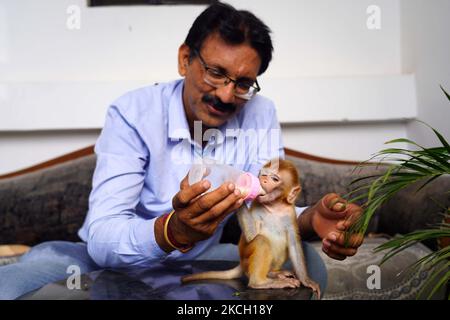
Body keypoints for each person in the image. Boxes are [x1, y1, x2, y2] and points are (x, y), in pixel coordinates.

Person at [0, 2, 363, 300]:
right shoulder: (133, 113)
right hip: (111, 261)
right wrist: (171, 231)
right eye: (215, 73)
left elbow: (265, 211)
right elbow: (102, 236)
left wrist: (311, 219)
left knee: (308, 269)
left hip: (198, 259)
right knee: (11, 284)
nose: (225, 94)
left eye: (242, 83)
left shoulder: (260, 112)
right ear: (184, 59)